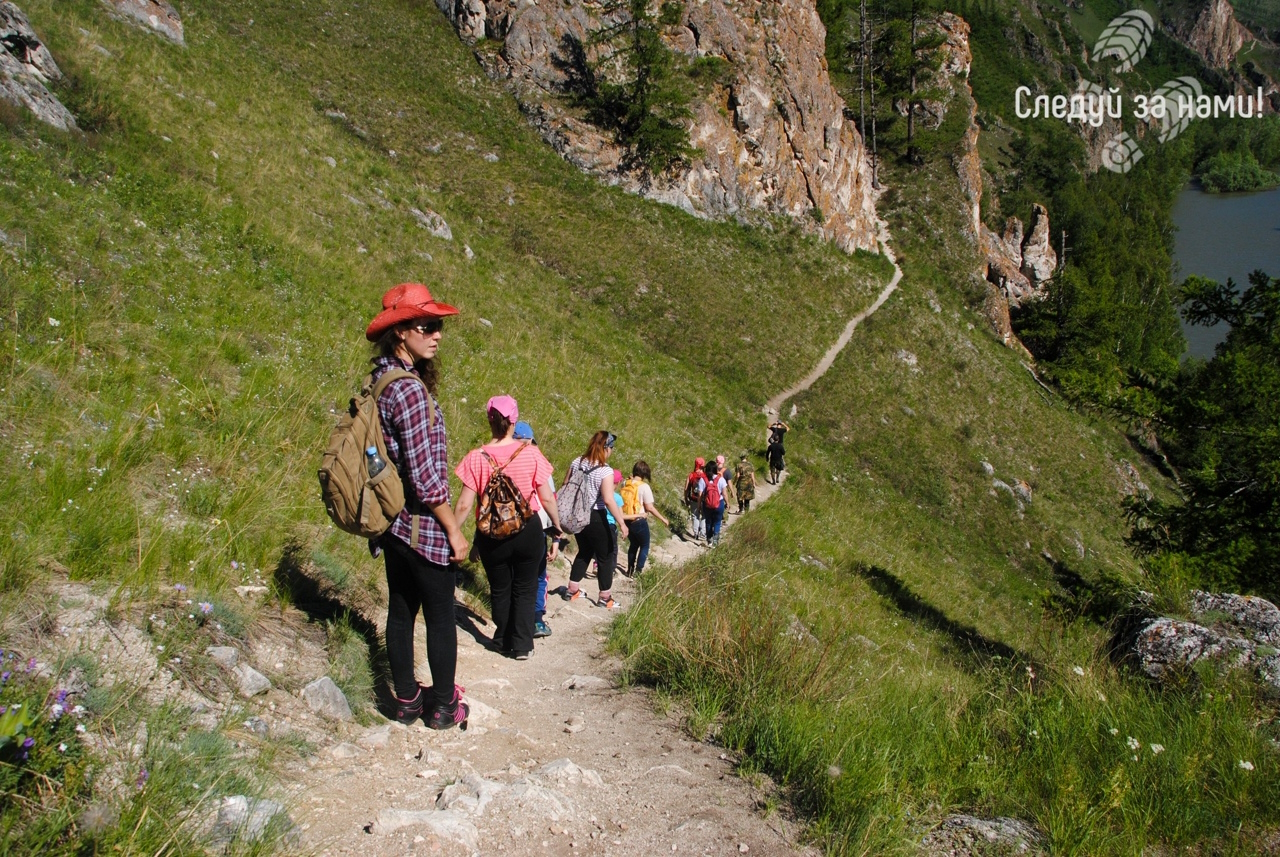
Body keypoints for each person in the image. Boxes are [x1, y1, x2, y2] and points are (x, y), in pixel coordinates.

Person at [365, 282, 470, 730]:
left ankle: (406, 700)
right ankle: (444, 707)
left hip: (391, 524)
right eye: (426, 326)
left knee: (402, 610)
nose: (436, 334)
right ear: (401, 332)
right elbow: (426, 479)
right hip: (423, 527)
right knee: (442, 617)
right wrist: (454, 530)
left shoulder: (379, 381)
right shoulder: (408, 391)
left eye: (438, 325)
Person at [453, 396, 561, 661]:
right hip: (527, 530)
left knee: (500, 588)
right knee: (525, 587)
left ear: (490, 421)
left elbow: (465, 505)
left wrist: (452, 532)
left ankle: (502, 639)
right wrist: (557, 525)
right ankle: (522, 645)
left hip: (491, 534)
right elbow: (546, 497)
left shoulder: (475, 458)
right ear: (514, 421)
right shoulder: (531, 453)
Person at [564, 431, 628, 608]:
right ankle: (605, 598)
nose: (612, 451)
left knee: (584, 551)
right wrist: (621, 522)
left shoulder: (577, 461)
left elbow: (566, 484)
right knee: (605, 556)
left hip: (576, 514)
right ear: (606, 448)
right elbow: (608, 499)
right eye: (612, 448)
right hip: (595, 516)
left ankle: (572, 589)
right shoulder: (604, 470)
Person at [513, 421, 555, 640]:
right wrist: (556, 534)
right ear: (530, 441)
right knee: (538, 576)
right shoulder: (540, 461)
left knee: (513, 575)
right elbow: (549, 499)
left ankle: (512, 620)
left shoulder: (499, 459)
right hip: (536, 525)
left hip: (505, 526)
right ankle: (536, 620)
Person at [622, 460, 670, 577]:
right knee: (644, 545)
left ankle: (630, 570)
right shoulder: (644, 487)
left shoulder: (625, 483)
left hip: (627, 519)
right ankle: (638, 572)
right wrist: (663, 519)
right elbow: (650, 508)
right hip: (639, 521)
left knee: (633, 545)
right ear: (645, 473)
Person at [702, 460, 728, 546]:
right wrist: (727, 503)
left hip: (707, 504)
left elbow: (700, 495)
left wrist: (699, 506)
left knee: (708, 522)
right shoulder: (721, 479)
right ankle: (715, 541)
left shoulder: (703, 480)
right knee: (717, 522)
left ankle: (709, 540)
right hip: (719, 503)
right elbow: (724, 493)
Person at [683, 457, 707, 541]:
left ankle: (696, 533)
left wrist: (686, 498)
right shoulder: (706, 475)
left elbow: (686, 488)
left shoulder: (691, 475)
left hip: (694, 499)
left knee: (695, 516)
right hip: (704, 499)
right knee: (704, 515)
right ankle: (703, 533)